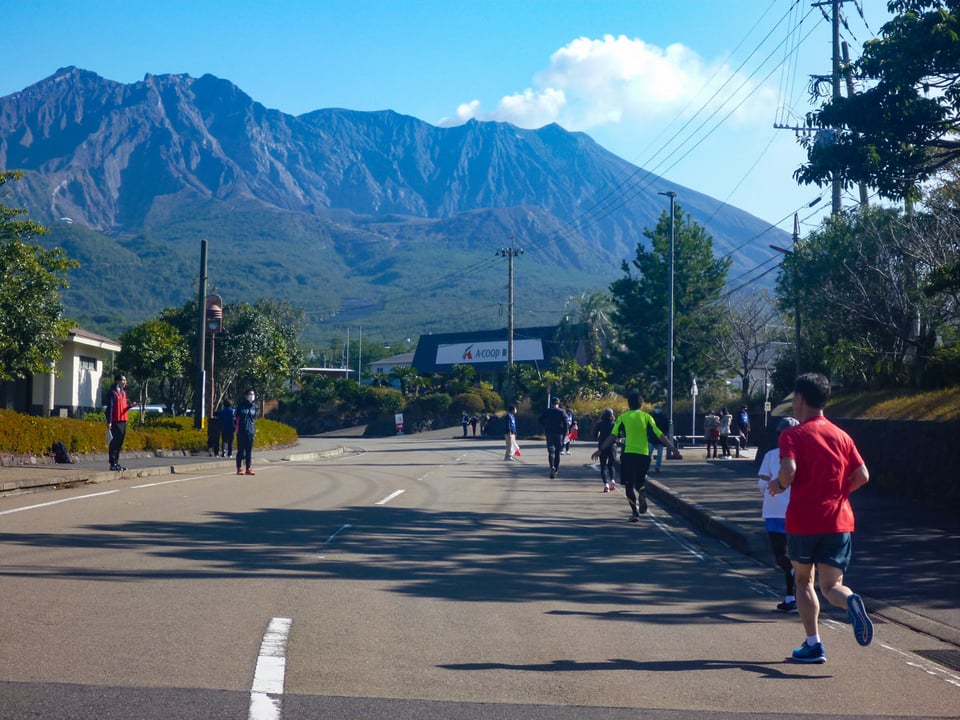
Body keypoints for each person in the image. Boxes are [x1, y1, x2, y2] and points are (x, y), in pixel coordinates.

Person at [767, 372, 873, 664]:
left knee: (803, 581)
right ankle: (849, 600)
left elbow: (788, 472)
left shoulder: (793, 434)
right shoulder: (842, 435)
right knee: (831, 587)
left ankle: (813, 644)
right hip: (838, 520)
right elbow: (862, 475)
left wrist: (778, 485)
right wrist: (839, 493)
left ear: (799, 399)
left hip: (804, 521)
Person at [593, 392, 677, 522]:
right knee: (640, 481)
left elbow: (613, 435)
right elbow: (659, 434)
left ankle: (635, 513)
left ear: (628, 404)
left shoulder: (623, 417)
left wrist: (601, 449)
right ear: (641, 404)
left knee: (629, 485)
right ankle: (642, 493)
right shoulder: (647, 417)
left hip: (628, 454)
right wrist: (672, 448)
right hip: (644, 454)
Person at [758, 416, 800, 613]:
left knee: (781, 555)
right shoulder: (806, 455)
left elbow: (761, 484)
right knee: (799, 556)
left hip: (774, 511)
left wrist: (772, 489)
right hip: (801, 511)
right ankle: (791, 596)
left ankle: (791, 594)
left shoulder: (771, 455)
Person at [106, 373, 134, 471]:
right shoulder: (113, 393)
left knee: (120, 443)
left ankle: (116, 462)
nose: (125, 382)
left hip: (123, 420)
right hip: (115, 421)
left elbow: (123, 408)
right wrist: (109, 421)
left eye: (125, 380)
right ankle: (112, 463)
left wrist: (130, 406)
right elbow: (110, 407)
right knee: (114, 442)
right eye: (123, 380)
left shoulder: (123, 393)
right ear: (117, 381)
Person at [539, 397, 569, 479]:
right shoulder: (561, 412)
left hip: (549, 433)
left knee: (550, 451)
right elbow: (566, 422)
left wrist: (546, 425)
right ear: (558, 403)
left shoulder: (547, 411)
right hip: (559, 433)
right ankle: (556, 469)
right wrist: (565, 432)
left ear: (551, 403)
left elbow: (540, 419)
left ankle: (552, 466)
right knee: (557, 452)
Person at [593, 408, 617, 492]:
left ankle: (606, 484)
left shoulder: (600, 424)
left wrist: (600, 436)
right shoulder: (614, 424)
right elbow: (619, 436)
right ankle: (612, 480)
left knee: (603, 466)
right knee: (611, 465)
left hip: (602, 447)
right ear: (612, 415)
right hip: (612, 446)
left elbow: (594, 434)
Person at [235, 388, 258, 476]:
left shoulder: (255, 407)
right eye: (250, 394)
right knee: (240, 451)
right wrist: (236, 428)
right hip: (241, 431)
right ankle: (239, 468)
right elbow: (235, 418)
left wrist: (254, 431)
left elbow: (254, 419)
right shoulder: (240, 406)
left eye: (253, 394)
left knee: (249, 451)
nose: (251, 396)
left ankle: (248, 468)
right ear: (245, 396)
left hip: (250, 432)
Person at [649, 406, 669, 473]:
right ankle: (651, 466)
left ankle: (657, 467)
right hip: (655, 438)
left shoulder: (661, 418)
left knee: (655, 454)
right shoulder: (652, 417)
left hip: (656, 438)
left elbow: (666, 427)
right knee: (651, 454)